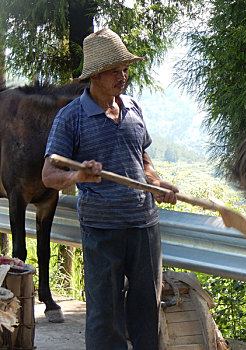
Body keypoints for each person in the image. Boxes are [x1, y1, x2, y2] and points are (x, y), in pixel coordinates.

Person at [42, 28, 178, 350]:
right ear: (96, 75)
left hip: (144, 224)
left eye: (125, 68)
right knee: (106, 315)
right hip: (102, 228)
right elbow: (49, 174)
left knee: (147, 310)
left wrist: (155, 182)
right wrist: (77, 178)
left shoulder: (132, 107)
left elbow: (141, 157)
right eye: (116, 70)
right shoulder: (71, 117)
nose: (124, 76)